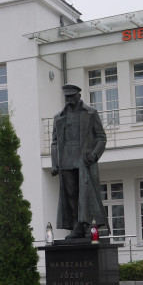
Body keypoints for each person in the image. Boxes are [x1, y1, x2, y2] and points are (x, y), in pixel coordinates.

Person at [50, 84, 108, 240]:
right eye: (66, 97)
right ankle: (76, 225)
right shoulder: (59, 117)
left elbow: (101, 138)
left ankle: (90, 224)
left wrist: (94, 154)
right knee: (71, 194)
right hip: (66, 160)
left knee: (86, 194)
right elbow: (55, 142)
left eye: (71, 97)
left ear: (78, 96)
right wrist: (55, 163)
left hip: (84, 161)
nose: (69, 100)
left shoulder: (90, 113)